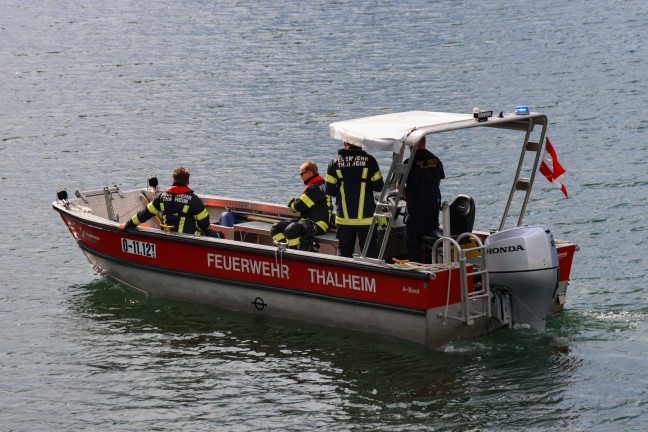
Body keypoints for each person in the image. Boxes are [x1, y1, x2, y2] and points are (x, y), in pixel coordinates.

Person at [326, 141, 384, 258]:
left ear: (345, 143)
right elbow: (379, 186)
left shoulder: (334, 163)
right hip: (366, 219)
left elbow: (330, 191)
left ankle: (343, 275)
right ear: (361, 142)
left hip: (344, 219)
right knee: (370, 255)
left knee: (344, 254)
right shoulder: (370, 161)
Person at [119, 166, 215, 236]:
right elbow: (205, 224)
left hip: (167, 238)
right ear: (187, 182)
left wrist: (127, 224)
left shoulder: (162, 197)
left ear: (173, 180)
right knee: (219, 235)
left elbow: (145, 214)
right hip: (189, 240)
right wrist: (209, 233)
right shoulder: (193, 200)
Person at [399, 137, 445, 262]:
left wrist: (408, 198)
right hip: (433, 205)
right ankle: (431, 263)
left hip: (416, 207)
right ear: (425, 142)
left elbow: (399, 186)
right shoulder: (435, 160)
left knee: (413, 238)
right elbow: (438, 182)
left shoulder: (408, 162)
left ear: (412, 144)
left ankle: (416, 266)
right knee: (431, 235)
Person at [271, 161, 331, 251]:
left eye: (301, 174)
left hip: (318, 223)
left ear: (310, 173)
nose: (300, 177)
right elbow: (303, 203)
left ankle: (293, 254)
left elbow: (298, 207)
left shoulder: (315, 188)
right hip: (306, 221)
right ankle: (285, 249)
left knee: (291, 229)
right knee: (275, 228)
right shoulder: (319, 185)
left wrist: (291, 203)